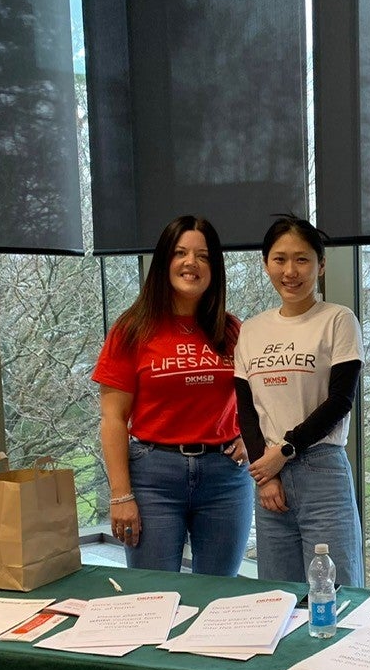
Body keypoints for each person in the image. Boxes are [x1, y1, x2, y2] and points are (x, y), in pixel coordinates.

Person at [92, 215, 253, 574]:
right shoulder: (132, 329)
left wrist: (251, 437)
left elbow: (261, 396)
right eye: (180, 253)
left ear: (215, 268)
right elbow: (113, 419)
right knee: (153, 597)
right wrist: (121, 495)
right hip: (153, 478)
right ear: (164, 262)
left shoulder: (231, 330)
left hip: (224, 477)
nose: (190, 263)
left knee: (219, 596)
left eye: (203, 256)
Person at [234, 215, 365, 586]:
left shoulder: (338, 320)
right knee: (279, 595)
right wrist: (265, 475)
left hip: (320, 470)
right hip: (269, 474)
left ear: (321, 265)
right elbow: (247, 411)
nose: (290, 271)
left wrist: (286, 450)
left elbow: (340, 400)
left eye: (302, 259)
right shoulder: (251, 329)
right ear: (265, 265)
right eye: (279, 259)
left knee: (336, 593)